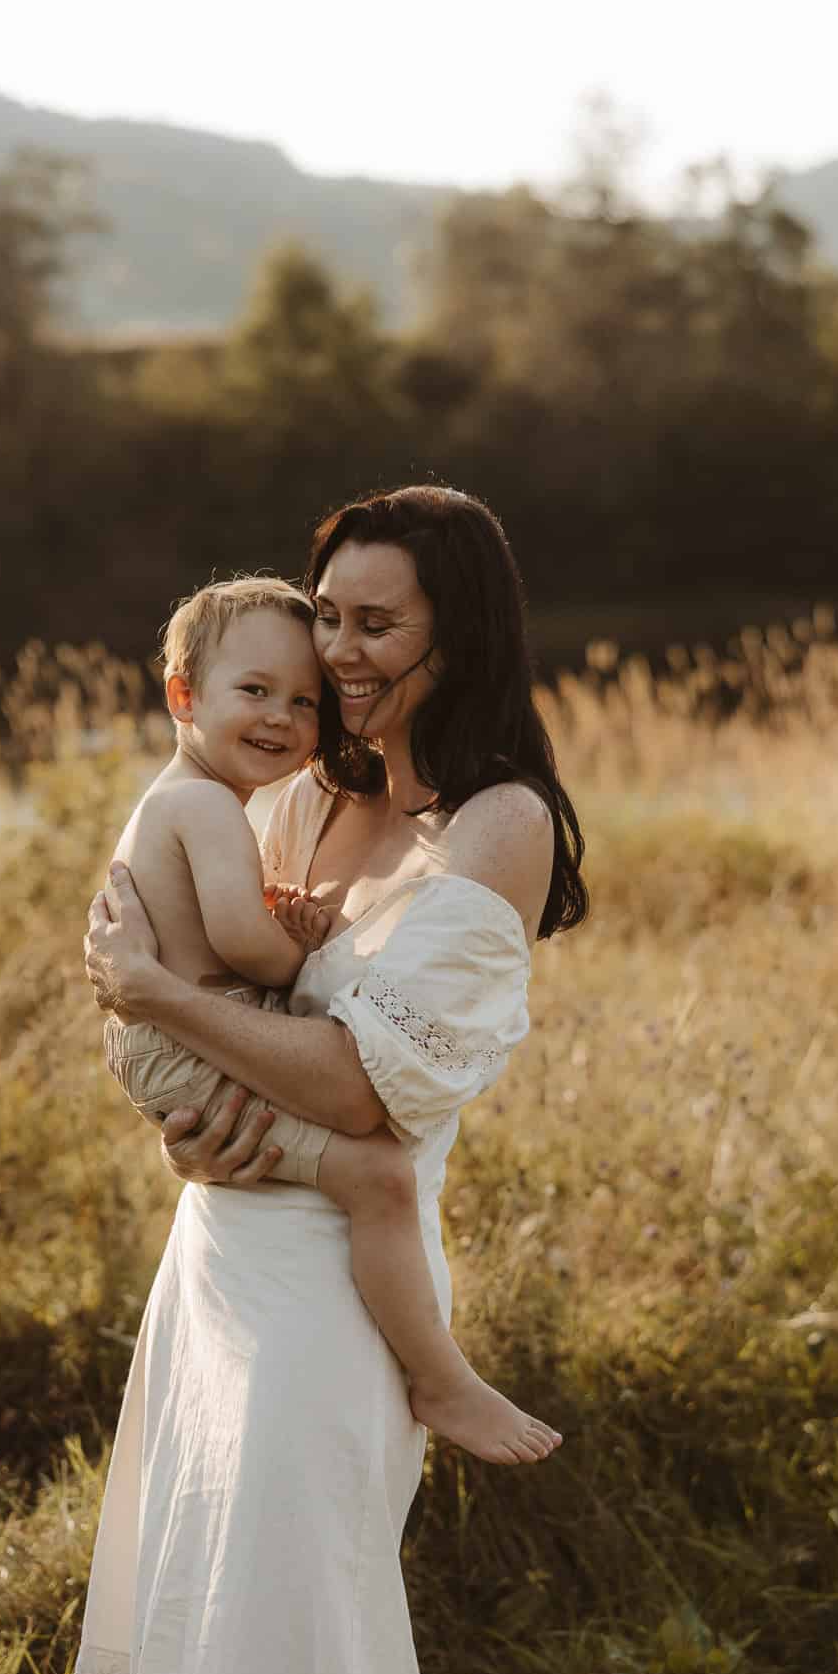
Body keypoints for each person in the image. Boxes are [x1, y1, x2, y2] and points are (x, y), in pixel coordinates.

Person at [51, 486, 587, 1674]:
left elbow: (355, 1087)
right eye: (328, 615)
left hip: (337, 1292)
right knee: (193, 1598)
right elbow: (235, 1006)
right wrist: (180, 1126)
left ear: (456, 635)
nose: (336, 652)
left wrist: (155, 995)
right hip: (221, 1251)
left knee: (291, 1617)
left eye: (375, 622)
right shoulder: (299, 795)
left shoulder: (491, 824)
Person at [103, 570, 561, 1462]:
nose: (283, 716)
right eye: (255, 692)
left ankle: (437, 1377)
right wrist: (311, 947)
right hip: (211, 1143)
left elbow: (223, 968)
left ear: (458, 636)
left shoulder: (491, 820)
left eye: (300, 700)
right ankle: (441, 1378)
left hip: (196, 1072)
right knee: (375, 1177)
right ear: (182, 695)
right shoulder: (225, 803)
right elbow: (240, 942)